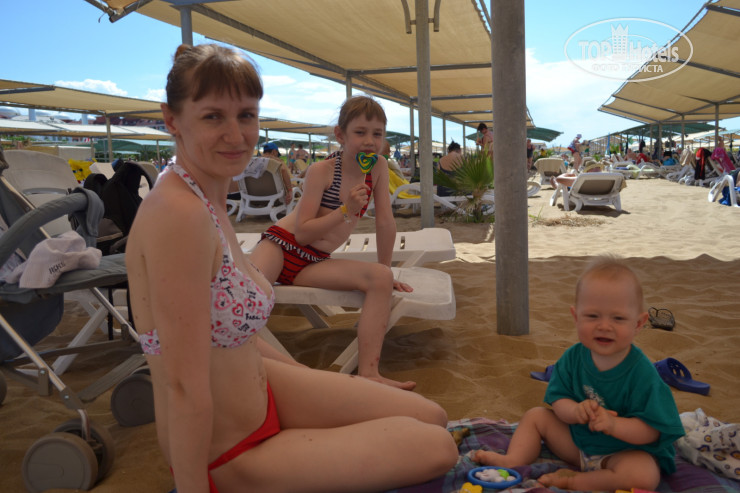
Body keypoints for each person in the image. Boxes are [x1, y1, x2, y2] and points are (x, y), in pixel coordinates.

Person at [126, 44, 458, 493]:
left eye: (246, 115)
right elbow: (183, 387)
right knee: (436, 446)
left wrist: (310, 379)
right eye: (213, 117)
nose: (235, 134)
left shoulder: (208, 196)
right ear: (172, 120)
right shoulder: (178, 215)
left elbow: (232, 336)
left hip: (265, 389)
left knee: (431, 416)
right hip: (232, 448)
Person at [249, 95, 417, 390]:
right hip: (281, 247)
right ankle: (250, 364)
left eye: (377, 134)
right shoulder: (322, 171)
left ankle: (369, 373)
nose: (369, 141)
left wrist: (386, 270)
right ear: (341, 135)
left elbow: (385, 222)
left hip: (312, 262)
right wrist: (345, 211)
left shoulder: (377, 168)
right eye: (360, 132)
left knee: (380, 278)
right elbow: (303, 233)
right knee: (251, 298)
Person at [473, 257, 684, 491]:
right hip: (576, 444)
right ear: (576, 317)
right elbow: (558, 399)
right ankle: (513, 460)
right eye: (593, 316)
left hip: (622, 453)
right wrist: (574, 411)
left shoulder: (642, 373)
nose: (604, 326)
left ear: (638, 323)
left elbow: (652, 431)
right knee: (536, 416)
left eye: (618, 318)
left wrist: (614, 425)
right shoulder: (573, 358)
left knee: (644, 475)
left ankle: (574, 481)